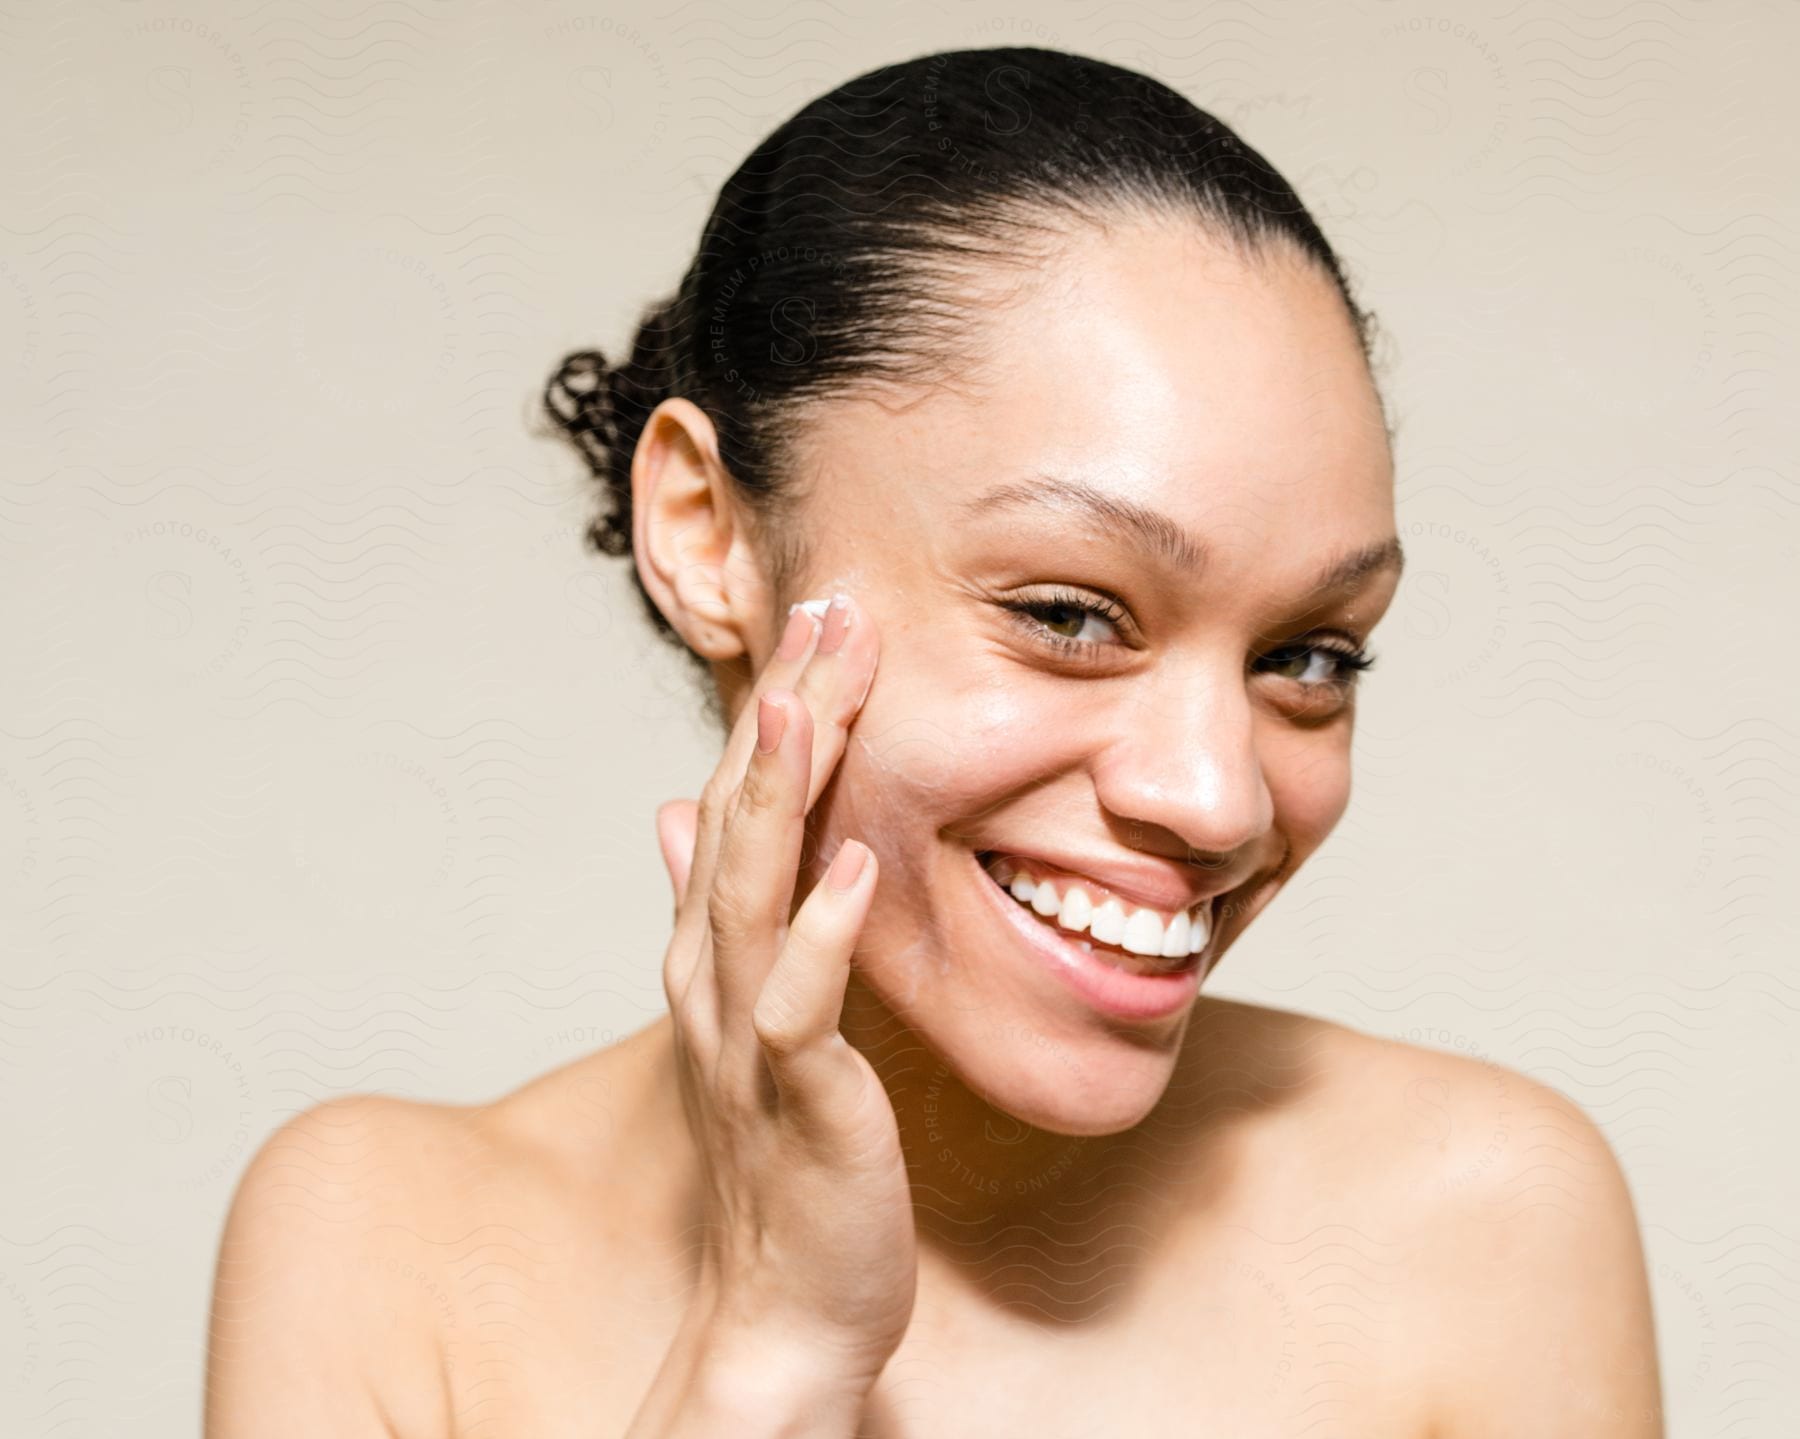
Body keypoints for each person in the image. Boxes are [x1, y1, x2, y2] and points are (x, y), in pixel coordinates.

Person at [204, 46, 1663, 1437]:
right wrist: (769, 1347)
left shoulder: (1487, 1222)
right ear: (708, 537)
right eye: (1071, 615)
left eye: (1307, 657)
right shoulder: (381, 1256)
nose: (1218, 801)